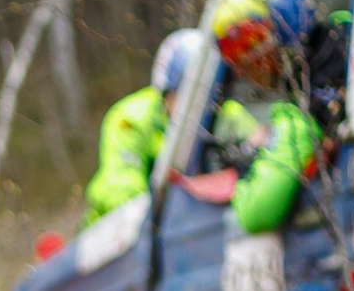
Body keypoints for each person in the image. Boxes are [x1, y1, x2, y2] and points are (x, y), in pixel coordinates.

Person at [210, 0, 348, 235]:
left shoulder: (301, 117)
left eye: (250, 47)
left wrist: (238, 181)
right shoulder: (343, 44)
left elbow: (255, 214)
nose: (243, 69)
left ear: (284, 34)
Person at [85, 28, 255, 224]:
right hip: (119, 239)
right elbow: (122, 189)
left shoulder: (226, 113)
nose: (197, 104)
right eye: (185, 94)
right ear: (166, 92)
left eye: (206, 94)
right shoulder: (131, 119)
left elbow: (258, 144)